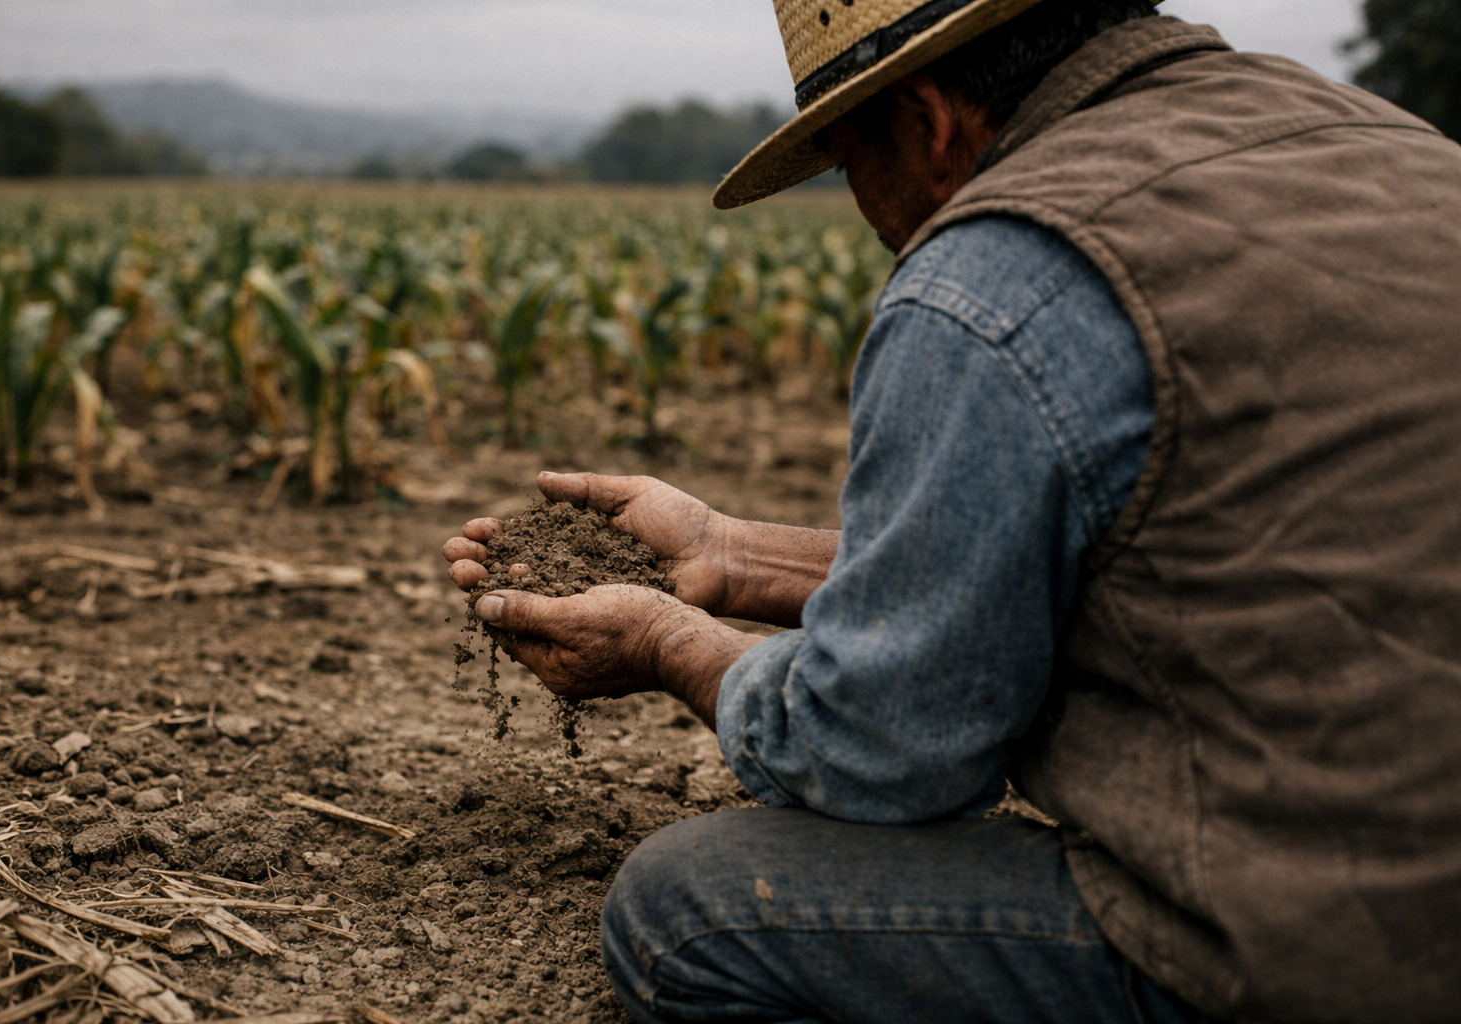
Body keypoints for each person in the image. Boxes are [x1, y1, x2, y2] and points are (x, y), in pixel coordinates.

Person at [444, 0, 1461, 1020]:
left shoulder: (996, 273)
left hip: (1349, 951)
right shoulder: (1394, 148)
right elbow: (1137, 545)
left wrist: (670, 643)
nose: (862, 206)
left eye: (846, 161)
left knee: (689, 910)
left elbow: (885, 752)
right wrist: (733, 552)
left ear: (927, 121)